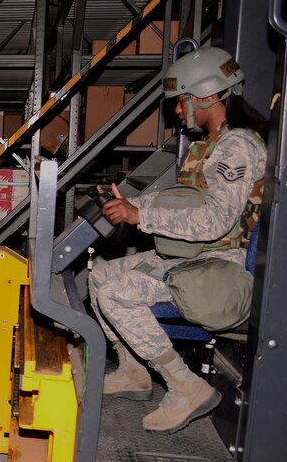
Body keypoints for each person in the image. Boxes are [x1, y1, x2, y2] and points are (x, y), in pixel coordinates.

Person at [90, 46, 268, 433]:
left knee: (115, 293)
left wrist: (141, 215)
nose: (177, 110)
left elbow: (215, 221)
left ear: (206, 96)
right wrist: (132, 205)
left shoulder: (237, 147)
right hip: (192, 256)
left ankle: (185, 387)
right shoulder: (208, 145)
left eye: (181, 100)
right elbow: (186, 202)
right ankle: (133, 372)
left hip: (219, 264)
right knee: (99, 275)